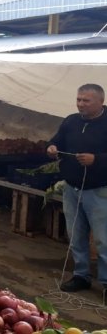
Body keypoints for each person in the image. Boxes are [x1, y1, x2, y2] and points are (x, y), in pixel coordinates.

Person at [47, 83, 107, 298]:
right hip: (72, 189)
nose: (80, 104)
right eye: (79, 99)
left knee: (103, 239)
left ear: (101, 101)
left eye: (86, 100)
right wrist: (52, 148)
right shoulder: (71, 120)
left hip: (100, 191)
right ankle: (81, 275)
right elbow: (56, 140)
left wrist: (97, 160)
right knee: (76, 235)